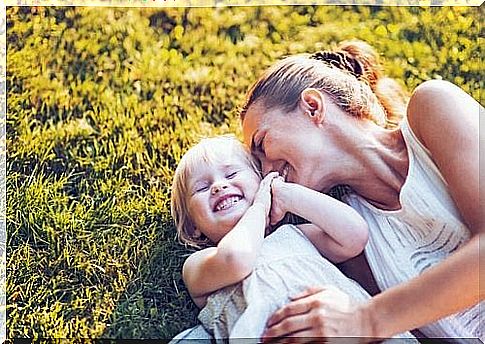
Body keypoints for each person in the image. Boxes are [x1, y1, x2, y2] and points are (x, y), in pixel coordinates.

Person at [240, 40, 483, 342]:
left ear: (312, 106)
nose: (267, 171)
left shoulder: (433, 107)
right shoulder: (353, 246)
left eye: (262, 144)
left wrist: (366, 320)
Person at [169, 135, 416, 342]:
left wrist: (285, 194)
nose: (218, 187)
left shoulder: (295, 236)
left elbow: (354, 235)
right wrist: (259, 208)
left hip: (350, 328)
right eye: (202, 188)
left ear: (261, 181)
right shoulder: (200, 264)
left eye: (232, 174)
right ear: (193, 229)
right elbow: (237, 259)